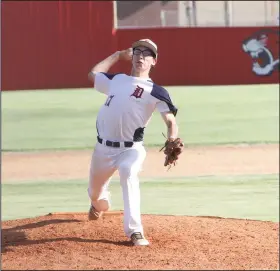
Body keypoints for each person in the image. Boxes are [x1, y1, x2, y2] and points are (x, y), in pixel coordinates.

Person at [87, 39, 179, 246]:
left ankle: (135, 231)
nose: (141, 56)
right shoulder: (117, 80)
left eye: (147, 54)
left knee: (128, 173)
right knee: (96, 196)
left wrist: (172, 138)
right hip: (102, 149)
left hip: (131, 149)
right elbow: (92, 75)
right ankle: (99, 204)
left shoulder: (156, 91)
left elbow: (171, 121)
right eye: (137, 52)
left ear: (154, 62)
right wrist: (117, 55)